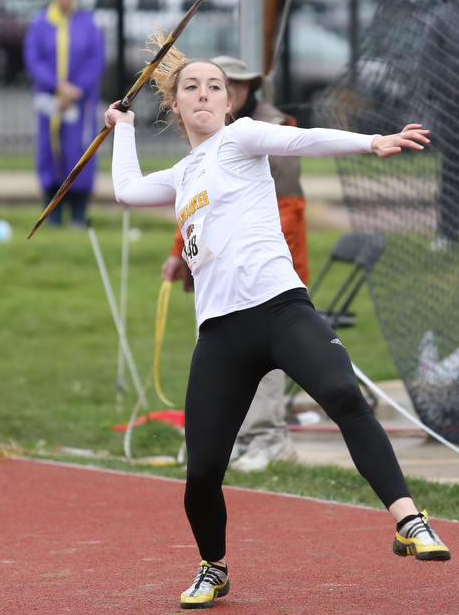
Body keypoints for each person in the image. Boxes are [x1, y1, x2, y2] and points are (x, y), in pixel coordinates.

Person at [104, 45, 450, 610]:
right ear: (175, 102)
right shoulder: (182, 173)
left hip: (282, 309)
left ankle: (408, 520)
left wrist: (372, 142)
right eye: (192, 87)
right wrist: (123, 127)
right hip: (221, 334)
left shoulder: (241, 140)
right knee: (204, 468)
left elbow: (302, 139)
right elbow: (126, 190)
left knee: (344, 394)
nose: (206, 95)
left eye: (216, 86)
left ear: (230, 99)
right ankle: (212, 568)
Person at [161, 55, 308, 472]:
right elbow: (195, 204)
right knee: (225, 366)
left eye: (229, 85)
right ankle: (236, 441)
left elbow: (287, 207)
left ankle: (267, 439)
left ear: (239, 93)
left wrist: (256, 261)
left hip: (269, 276)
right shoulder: (208, 137)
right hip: (217, 282)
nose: (209, 93)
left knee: (268, 364)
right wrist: (179, 252)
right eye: (195, 86)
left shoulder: (261, 131)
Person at [23, 0, 105, 228]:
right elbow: (33, 58)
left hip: (80, 102)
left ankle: (79, 212)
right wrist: (58, 86)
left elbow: (96, 59)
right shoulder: (40, 22)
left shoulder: (89, 22)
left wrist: (75, 89)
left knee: (80, 150)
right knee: (50, 151)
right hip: (50, 102)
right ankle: (52, 213)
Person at [422, 0, 459, 249]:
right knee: (452, 172)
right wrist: (450, 88)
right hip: (452, 109)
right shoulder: (442, 15)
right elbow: (428, 62)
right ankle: (448, 233)